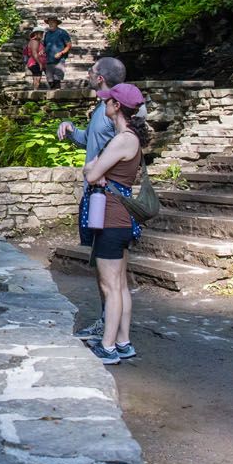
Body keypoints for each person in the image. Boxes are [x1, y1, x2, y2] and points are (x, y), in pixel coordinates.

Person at [57, 56, 132, 342]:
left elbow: (124, 143)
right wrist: (70, 129)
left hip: (107, 196)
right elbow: (89, 140)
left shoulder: (118, 108)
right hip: (97, 194)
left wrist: (99, 167)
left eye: (91, 71)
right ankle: (115, 333)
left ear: (100, 77)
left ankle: (110, 334)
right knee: (107, 270)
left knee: (109, 272)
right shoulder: (103, 107)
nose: (88, 74)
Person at [79, 82, 149, 364]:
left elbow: (92, 174)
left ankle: (107, 347)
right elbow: (97, 171)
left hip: (111, 217)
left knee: (110, 286)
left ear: (117, 106)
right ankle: (123, 341)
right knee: (120, 285)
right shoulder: (130, 138)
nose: (104, 104)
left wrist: (93, 170)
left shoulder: (122, 140)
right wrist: (96, 170)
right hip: (121, 218)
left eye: (108, 101)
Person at [42, 17, 72, 89]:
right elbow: (45, 46)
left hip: (59, 61)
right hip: (48, 60)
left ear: (56, 23)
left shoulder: (62, 32)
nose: (51, 23)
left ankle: (58, 97)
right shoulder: (47, 34)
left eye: (53, 22)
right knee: (50, 82)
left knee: (57, 80)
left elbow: (69, 45)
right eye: (49, 22)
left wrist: (61, 53)